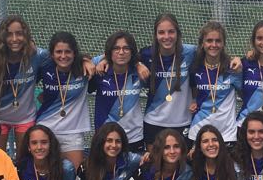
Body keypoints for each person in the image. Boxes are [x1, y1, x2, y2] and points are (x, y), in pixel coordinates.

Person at [0, 15, 49, 152]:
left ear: (26, 35)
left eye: (19, 34)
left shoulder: (37, 55)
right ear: (2, 37)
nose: (14, 39)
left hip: (25, 118)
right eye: (9, 34)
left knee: (24, 160)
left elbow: (62, 57)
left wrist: (86, 60)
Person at [35, 31, 93, 170]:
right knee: (46, 175)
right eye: (58, 52)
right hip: (45, 128)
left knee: (75, 175)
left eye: (67, 52)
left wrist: (87, 60)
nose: (63, 56)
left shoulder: (83, 68)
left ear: (74, 53)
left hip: (72, 132)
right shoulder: (45, 67)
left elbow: (109, 56)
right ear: (52, 54)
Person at [140, 13, 197, 143]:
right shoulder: (146, 54)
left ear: (178, 33)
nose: (166, 37)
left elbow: (214, 51)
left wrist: (237, 59)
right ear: (155, 35)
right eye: (161, 32)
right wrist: (138, 64)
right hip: (153, 122)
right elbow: (118, 55)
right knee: (154, 162)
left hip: (183, 122)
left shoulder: (190, 52)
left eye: (171, 32)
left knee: (182, 163)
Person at [90, 31, 146, 152]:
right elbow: (82, 61)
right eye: (116, 48)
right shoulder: (100, 71)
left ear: (132, 51)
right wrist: (103, 59)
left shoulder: (139, 72)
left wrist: (138, 63)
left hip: (134, 137)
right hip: (105, 138)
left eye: (126, 48)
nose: (121, 52)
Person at [188, 21, 242, 144]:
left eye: (218, 41)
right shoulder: (195, 67)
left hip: (226, 134)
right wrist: (194, 101)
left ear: (223, 43)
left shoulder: (233, 68)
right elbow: (193, 91)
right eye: (209, 40)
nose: (214, 44)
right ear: (202, 43)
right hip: (198, 130)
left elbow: (246, 96)